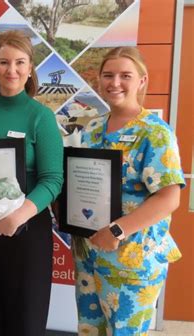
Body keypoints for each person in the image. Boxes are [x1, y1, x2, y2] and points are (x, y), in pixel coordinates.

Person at [0, 30, 64, 336]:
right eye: (4, 62)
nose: (12, 70)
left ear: (30, 68)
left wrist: (17, 216)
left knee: (24, 322)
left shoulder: (40, 117)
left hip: (27, 233)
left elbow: (52, 179)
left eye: (20, 62)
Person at [74, 47, 185, 335]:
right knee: (91, 330)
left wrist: (116, 230)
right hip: (91, 255)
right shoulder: (93, 128)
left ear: (142, 81)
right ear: (99, 80)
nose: (115, 83)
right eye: (108, 75)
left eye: (126, 75)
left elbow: (169, 197)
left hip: (133, 259)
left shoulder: (154, 132)